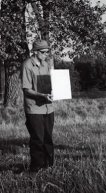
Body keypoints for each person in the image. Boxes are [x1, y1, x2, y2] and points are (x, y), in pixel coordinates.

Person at [21, 39, 54, 172]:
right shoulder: (27, 65)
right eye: (43, 52)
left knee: (48, 139)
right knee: (37, 140)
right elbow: (26, 89)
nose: (46, 54)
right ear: (35, 52)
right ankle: (35, 168)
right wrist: (42, 96)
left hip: (48, 108)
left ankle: (49, 166)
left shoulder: (46, 64)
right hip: (34, 109)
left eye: (48, 51)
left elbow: (49, 85)